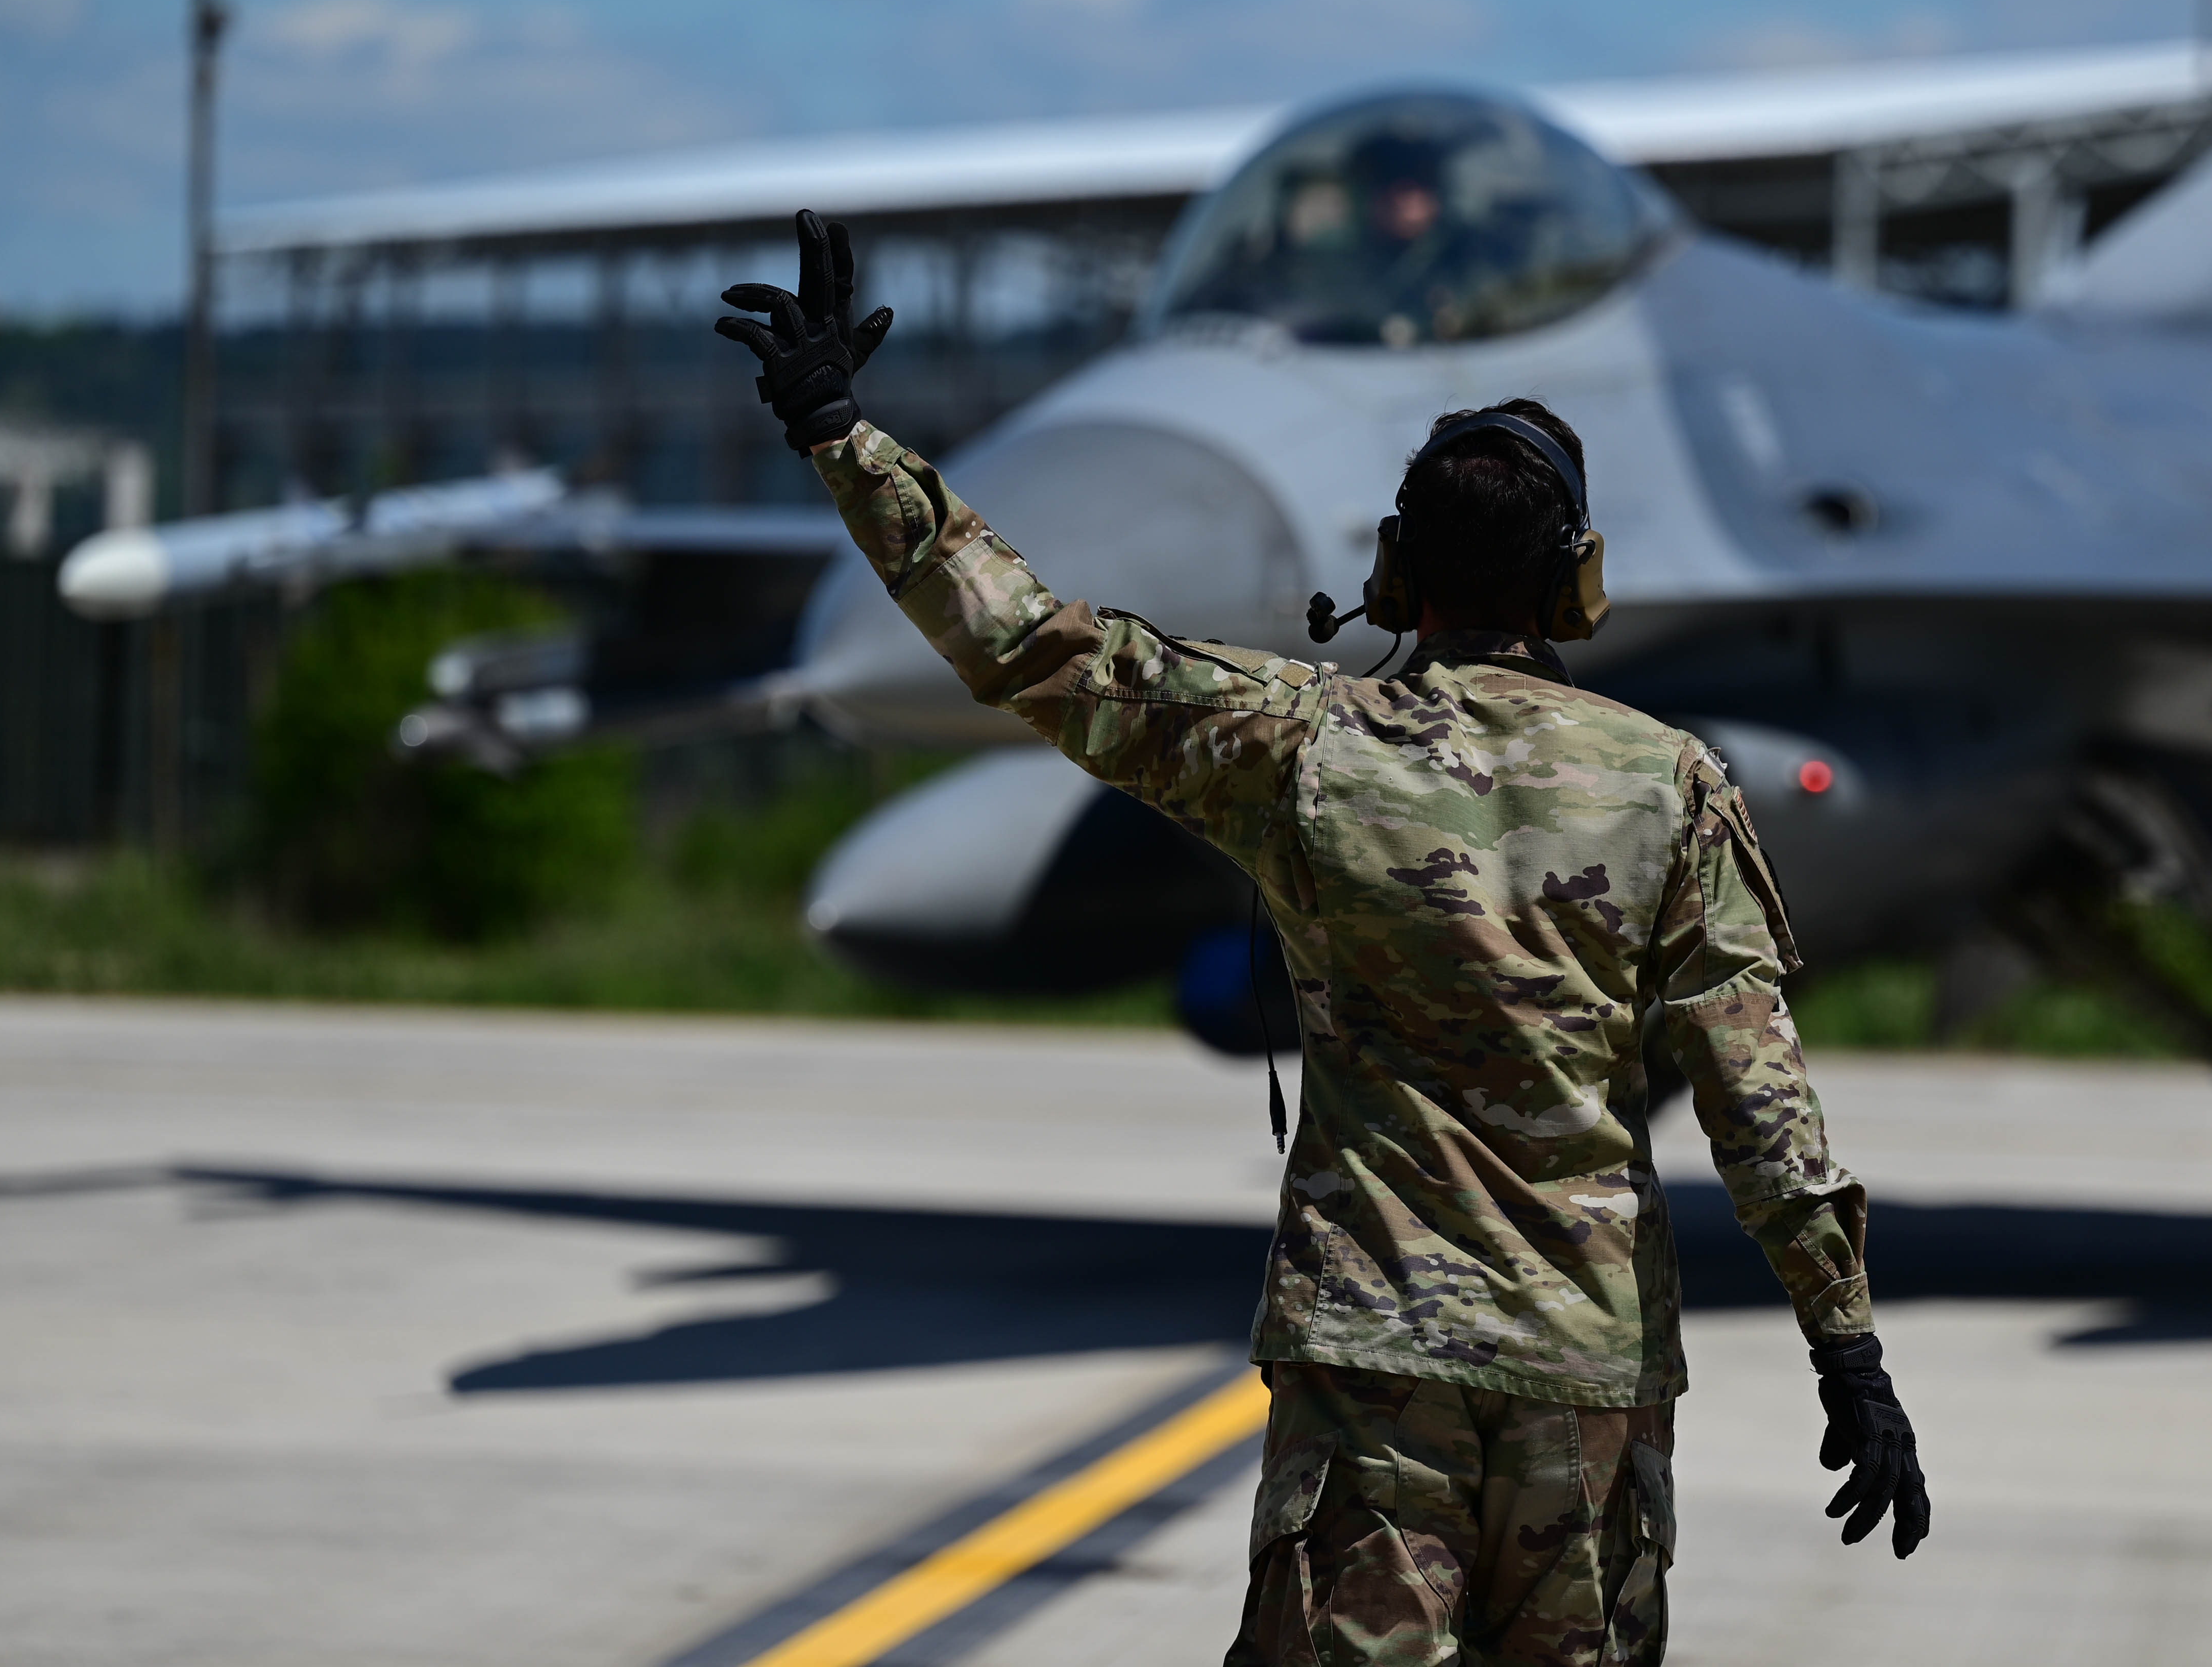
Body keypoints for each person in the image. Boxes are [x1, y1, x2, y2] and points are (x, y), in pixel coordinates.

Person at [717, 210, 1927, 1666]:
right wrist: (1845, 1351)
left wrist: (845, 435)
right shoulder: (1669, 789)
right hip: (1586, 1381)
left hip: (1371, 1378)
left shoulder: (1295, 748)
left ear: (1398, 573)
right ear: (1577, 586)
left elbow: (1026, 644)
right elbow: (1759, 1100)